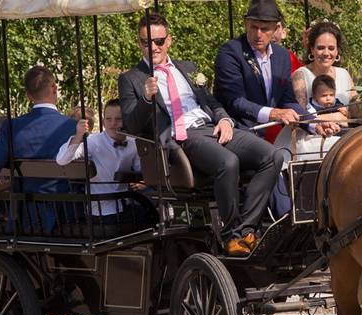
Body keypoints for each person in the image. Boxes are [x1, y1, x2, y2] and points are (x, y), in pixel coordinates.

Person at [118, 13, 280, 256]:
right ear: (139, 43)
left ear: (169, 41)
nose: (153, 47)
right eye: (146, 42)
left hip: (212, 127)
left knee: (273, 156)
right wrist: (145, 98)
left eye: (159, 41)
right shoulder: (131, 78)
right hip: (183, 137)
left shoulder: (188, 68)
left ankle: (247, 228)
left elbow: (211, 101)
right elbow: (131, 124)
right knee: (228, 162)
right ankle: (231, 234)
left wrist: (224, 119)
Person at [0, 66, 78, 232]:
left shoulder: (13, 126)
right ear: (53, 87)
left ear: (28, 96)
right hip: (66, 215)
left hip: (24, 215)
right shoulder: (72, 127)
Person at [212, 0, 308, 135]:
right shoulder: (230, 52)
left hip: (267, 134)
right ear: (246, 24)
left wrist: (313, 124)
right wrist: (273, 113)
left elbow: (287, 101)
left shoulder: (282, 56)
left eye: (264, 29)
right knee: (274, 156)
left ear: (276, 28)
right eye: (253, 27)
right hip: (236, 129)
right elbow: (235, 101)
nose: (258, 34)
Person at [56, 99, 141, 218]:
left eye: (118, 119)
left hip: (126, 204)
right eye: (108, 119)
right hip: (101, 210)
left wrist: (142, 183)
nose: (113, 124)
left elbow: (141, 171)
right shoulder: (93, 142)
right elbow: (61, 160)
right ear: (103, 122)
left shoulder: (133, 143)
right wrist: (78, 135)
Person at [292, 20, 355, 110]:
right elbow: (302, 117)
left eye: (331, 48)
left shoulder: (344, 74)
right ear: (312, 49)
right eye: (321, 48)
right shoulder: (300, 76)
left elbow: (356, 110)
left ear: (337, 50)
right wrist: (338, 117)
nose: (326, 53)